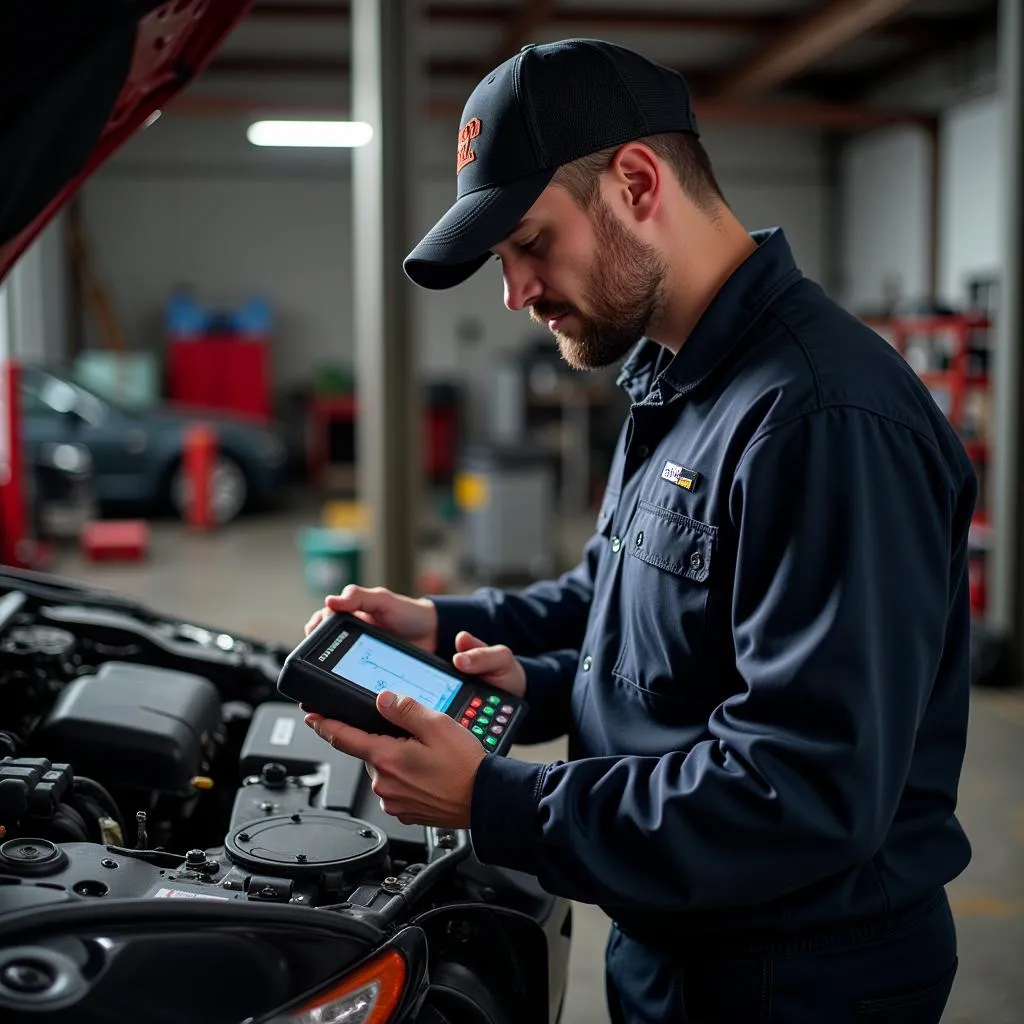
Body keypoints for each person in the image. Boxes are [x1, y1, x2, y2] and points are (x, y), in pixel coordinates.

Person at [302, 39, 975, 1024]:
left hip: (796, 978)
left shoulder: (821, 420)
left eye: (530, 242)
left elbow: (801, 787)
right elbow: (624, 611)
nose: (515, 292)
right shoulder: (675, 378)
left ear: (635, 180)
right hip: (679, 941)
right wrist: (450, 629)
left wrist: (496, 801)